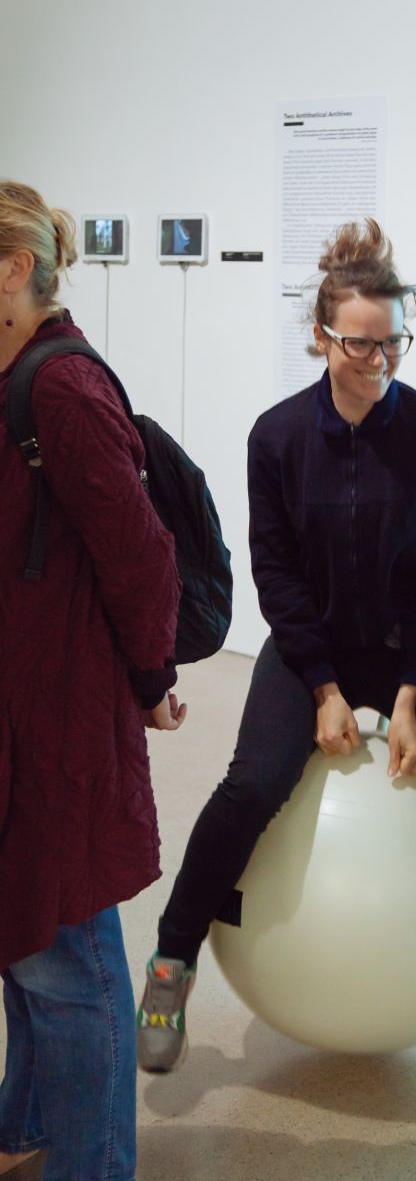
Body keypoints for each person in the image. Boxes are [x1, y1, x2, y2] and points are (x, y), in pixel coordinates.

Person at [136, 218, 416, 1090]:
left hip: (415, 648)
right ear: (321, 337)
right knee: (250, 786)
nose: (378, 362)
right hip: (312, 649)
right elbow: (275, 574)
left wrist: (409, 696)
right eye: (359, 344)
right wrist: (322, 687)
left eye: (393, 343)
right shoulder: (276, 438)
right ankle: (170, 964)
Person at [0, 182, 186, 1181]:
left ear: (15, 269)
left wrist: (150, 676)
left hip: (58, 713)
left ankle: (95, 1162)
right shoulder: (14, 374)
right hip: (19, 703)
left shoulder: (62, 391)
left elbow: (142, 556)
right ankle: (27, 1123)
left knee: (63, 951)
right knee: (22, 931)